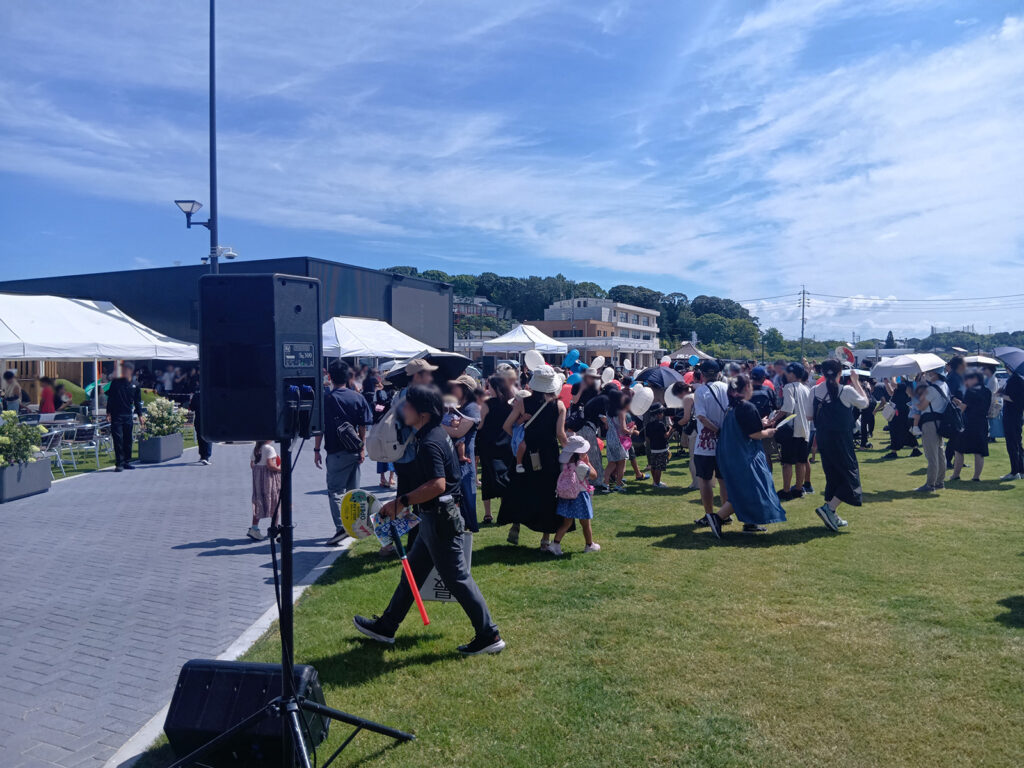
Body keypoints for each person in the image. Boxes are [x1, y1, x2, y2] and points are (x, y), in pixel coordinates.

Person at [353, 385, 505, 656]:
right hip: (432, 518)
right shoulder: (432, 434)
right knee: (411, 572)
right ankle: (387, 626)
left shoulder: (430, 442)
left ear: (422, 413)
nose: (402, 410)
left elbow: (437, 484)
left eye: (407, 405)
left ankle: (489, 634)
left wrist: (401, 502)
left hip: (440, 518)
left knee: (457, 578)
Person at [703, 374, 786, 537]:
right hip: (744, 455)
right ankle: (717, 518)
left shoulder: (732, 407)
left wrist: (760, 424)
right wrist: (768, 432)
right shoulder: (746, 407)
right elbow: (754, 434)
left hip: (731, 454)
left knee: (748, 489)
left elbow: (746, 427)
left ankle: (750, 522)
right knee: (750, 490)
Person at [498, 365, 567, 549]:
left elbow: (506, 426)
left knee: (521, 488)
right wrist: (572, 450)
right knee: (548, 493)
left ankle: (516, 524)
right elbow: (560, 434)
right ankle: (545, 538)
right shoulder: (559, 405)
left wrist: (520, 437)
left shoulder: (522, 402)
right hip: (548, 453)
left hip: (527, 450)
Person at [314, 360, 373, 547]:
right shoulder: (357, 398)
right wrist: (362, 448)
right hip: (354, 450)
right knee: (353, 492)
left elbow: (319, 429)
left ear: (329, 377)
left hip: (335, 450)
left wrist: (316, 450)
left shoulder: (326, 399)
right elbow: (363, 424)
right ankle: (356, 526)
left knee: (335, 491)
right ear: (348, 377)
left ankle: (341, 528)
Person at [810, 360, 868, 531]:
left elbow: (808, 416)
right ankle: (830, 508)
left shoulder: (814, 390)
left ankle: (832, 514)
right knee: (851, 476)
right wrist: (856, 381)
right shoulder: (847, 390)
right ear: (839, 373)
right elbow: (865, 403)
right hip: (841, 439)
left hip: (823, 438)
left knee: (833, 475)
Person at [443, 374, 482, 533]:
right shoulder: (459, 406)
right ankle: (462, 525)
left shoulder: (472, 407)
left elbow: (458, 432)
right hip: (457, 457)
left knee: (467, 491)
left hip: (465, 459)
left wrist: (435, 426)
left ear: (465, 390)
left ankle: (469, 526)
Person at [692, 361, 730, 524]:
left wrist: (716, 430)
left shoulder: (700, 391)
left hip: (706, 444)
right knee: (723, 480)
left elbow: (701, 416)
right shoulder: (727, 388)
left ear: (702, 374)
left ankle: (709, 516)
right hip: (725, 443)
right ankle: (724, 514)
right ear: (718, 373)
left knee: (705, 480)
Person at [549, 435, 600, 555]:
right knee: (585, 523)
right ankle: (589, 545)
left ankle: (555, 544)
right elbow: (594, 475)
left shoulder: (564, 465)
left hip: (566, 496)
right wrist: (589, 463)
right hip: (580, 496)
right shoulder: (581, 466)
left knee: (567, 523)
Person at [477, 375, 515, 524]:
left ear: (495, 387)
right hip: (507, 441)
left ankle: (488, 514)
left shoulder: (487, 404)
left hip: (488, 443)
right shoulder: (511, 403)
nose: (487, 388)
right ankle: (504, 510)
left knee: (487, 476)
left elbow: (480, 424)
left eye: (489, 386)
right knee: (506, 475)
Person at [774, 362, 813, 500]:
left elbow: (788, 408)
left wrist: (774, 419)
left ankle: (786, 490)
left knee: (787, 463)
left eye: (788, 372)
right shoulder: (806, 388)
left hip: (792, 430)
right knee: (801, 461)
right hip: (805, 429)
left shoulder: (788, 387)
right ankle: (798, 488)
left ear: (792, 374)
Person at [950, 370, 991, 482]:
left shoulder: (970, 391)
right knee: (979, 451)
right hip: (982, 422)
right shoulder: (987, 391)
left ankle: (956, 474)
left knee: (958, 449)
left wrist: (956, 403)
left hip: (968, 423)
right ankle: (976, 477)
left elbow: (963, 408)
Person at [915, 368, 950, 492]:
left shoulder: (932, 388)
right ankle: (940, 481)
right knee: (940, 453)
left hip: (930, 422)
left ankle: (930, 484)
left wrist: (914, 393)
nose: (928, 374)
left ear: (935, 374)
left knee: (932, 455)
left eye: (930, 372)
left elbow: (920, 406)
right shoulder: (944, 385)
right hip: (940, 420)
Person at [571, 367, 606, 490]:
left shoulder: (596, 389)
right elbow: (574, 401)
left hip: (591, 423)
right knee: (588, 453)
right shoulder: (578, 386)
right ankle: (596, 480)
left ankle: (593, 478)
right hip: (582, 423)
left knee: (592, 452)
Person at [106, 363, 144, 471]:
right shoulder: (116, 383)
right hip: (116, 415)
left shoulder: (135, 384)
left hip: (128, 415)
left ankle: (127, 461)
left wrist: (140, 415)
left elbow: (138, 401)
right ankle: (119, 463)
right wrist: (108, 413)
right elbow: (111, 398)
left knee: (128, 439)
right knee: (118, 439)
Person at [248, 441, 281, 540]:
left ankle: (254, 528)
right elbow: (270, 465)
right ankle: (274, 528)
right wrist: (280, 469)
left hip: (258, 480)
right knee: (274, 502)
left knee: (259, 502)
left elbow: (252, 465)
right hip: (269, 479)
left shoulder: (256, 448)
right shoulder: (269, 448)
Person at [883, 379, 920, 459]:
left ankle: (894, 451)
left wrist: (892, 376)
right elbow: (891, 393)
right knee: (905, 430)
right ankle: (915, 449)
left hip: (901, 411)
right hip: (900, 410)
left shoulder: (905, 384)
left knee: (895, 430)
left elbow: (893, 384)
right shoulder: (904, 384)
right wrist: (886, 383)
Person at [1000, 370, 1024, 480]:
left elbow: (1013, 399)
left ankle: (1015, 472)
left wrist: (1001, 395)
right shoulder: (1018, 379)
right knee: (1017, 443)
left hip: (1012, 415)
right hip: (1016, 415)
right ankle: (1020, 470)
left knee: (1012, 444)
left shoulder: (1015, 380)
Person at [944, 356, 967, 469]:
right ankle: (948, 459)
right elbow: (948, 393)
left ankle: (958, 460)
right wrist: (954, 399)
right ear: (959, 365)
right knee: (955, 436)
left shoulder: (959, 376)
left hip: (961, 409)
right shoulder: (952, 377)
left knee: (960, 437)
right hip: (955, 410)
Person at [645, 402, 671, 488]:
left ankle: (655, 481)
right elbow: (665, 436)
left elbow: (648, 438)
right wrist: (671, 430)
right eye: (662, 413)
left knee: (653, 466)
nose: (663, 414)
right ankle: (657, 483)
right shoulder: (661, 424)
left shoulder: (648, 425)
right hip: (662, 448)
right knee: (659, 467)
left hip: (653, 448)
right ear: (658, 414)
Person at [189, 381, 212, 465]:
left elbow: (191, 408)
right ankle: (206, 457)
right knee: (208, 438)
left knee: (200, 437)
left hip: (198, 419)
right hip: (208, 419)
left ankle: (202, 455)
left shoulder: (196, 395)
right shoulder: (210, 395)